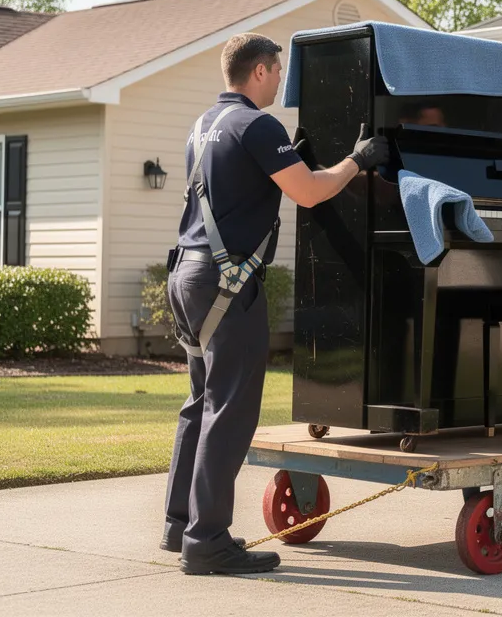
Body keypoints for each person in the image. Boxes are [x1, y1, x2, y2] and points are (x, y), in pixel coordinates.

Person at [162, 32, 389, 576]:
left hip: (188, 275)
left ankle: (180, 526)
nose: (282, 81)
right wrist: (356, 161)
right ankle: (207, 541)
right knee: (229, 410)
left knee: (201, 402)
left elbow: (241, 187)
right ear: (259, 70)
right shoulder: (257, 125)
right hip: (227, 280)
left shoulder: (203, 124)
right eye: (278, 71)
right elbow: (309, 191)